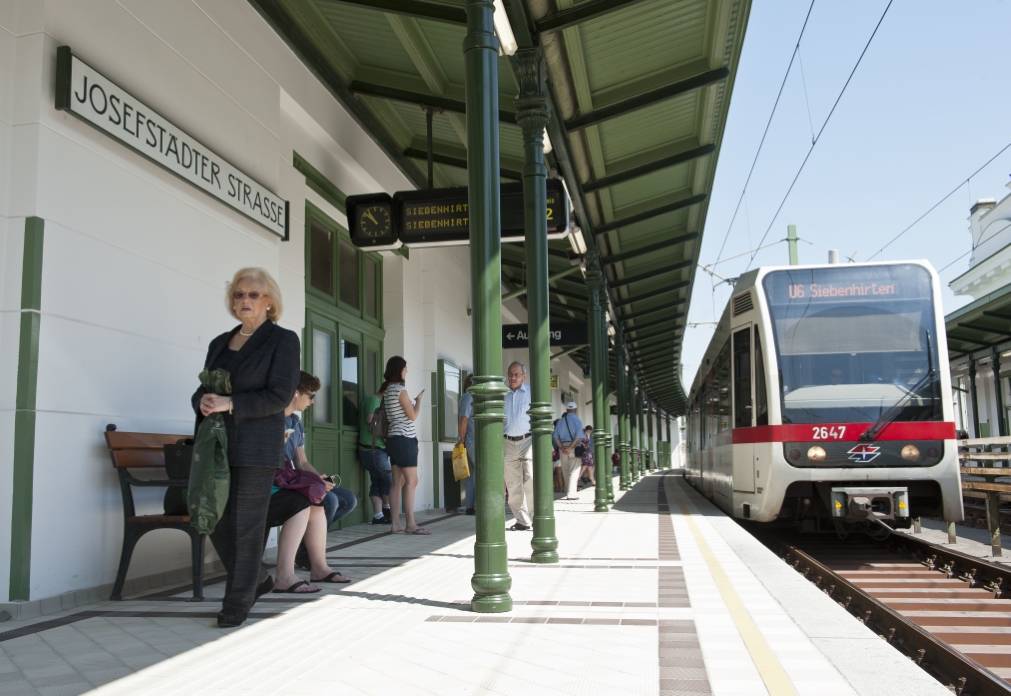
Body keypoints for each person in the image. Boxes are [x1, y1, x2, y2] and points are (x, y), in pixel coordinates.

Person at [192, 267, 300, 628]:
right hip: (217, 446)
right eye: (239, 295)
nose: (245, 301)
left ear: (269, 301)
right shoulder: (219, 343)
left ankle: (237, 601)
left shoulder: (283, 340)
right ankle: (256, 580)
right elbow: (204, 387)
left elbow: (279, 395)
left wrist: (231, 403)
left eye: (253, 295)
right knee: (218, 520)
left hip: (255, 447)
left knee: (247, 526)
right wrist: (204, 401)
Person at [283, 371, 357, 573]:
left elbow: (302, 461)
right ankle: (308, 555)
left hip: (293, 478)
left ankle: (303, 549)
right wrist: (314, 483)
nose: (313, 402)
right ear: (297, 393)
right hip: (281, 480)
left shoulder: (296, 423)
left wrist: (317, 478)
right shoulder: (274, 420)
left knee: (347, 499)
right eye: (311, 396)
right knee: (329, 500)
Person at [383, 356, 430, 535]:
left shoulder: (387, 390)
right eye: (405, 368)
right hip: (405, 439)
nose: (407, 371)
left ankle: (395, 524)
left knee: (397, 482)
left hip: (393, 438)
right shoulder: (400, 390)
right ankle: (410, 523)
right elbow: (412, 416)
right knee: (412, 481)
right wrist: (418, 401)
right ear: (399, 370)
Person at [503, 362, 533, 531]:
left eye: (516, 375)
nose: (512, 378)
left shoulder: (530, 394)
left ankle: (536, 518)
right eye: (510, 374)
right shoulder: (503, 394)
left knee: (531, 479)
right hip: (507, 442)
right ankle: (522, 520)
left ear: (524, 376)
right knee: (513, 483)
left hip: (527, 441)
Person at [359, 385, 393, 524]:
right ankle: (386, 508)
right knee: (387, 478)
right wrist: (385, 434)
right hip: (371, 449)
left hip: (378, 449)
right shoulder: (374, 400)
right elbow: (370, 420)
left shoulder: (381, 403)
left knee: (377, 481)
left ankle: (378, 516)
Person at [553, 402, 584, 500]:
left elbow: (556, 436)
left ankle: (568, 492)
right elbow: (578, 436)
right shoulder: (577, 421)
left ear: (566, 410)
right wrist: (570, 448)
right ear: (576, 410)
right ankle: (571, 494)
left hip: (562, 447)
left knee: (565, 470)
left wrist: (562, 447)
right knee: (574, 470)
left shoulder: (560, 421)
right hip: (574, 447)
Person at [457, 375, 476, 515]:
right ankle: (476, 505)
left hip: (470, 439)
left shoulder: (469, 397)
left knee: (473, 474)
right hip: (471, 439)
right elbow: (463, 419)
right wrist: (462, 439)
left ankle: (470, 507)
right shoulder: (469, 397)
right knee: (481, 472)